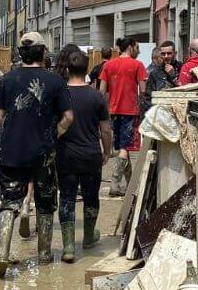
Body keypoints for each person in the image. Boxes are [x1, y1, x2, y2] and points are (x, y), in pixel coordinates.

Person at [0, 32, 74, 277]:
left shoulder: (7, 80)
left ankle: (1, 255)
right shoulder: (55, 81)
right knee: (46, 201)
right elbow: (68, 117)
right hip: (43, 153)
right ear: (43, 53)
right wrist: (53, 135)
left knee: (9, 201)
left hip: (12, 152)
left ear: (21, 54)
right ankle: (44, 256)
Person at [56, 51, 112, 262]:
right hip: (91, 155)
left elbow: (55, 126)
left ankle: (68, 246)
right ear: (88, 70)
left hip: (66, 155)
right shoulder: (96, 96)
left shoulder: (60, 94)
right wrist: (106, 151)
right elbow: (105, 130)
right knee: (91, 197)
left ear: (68, 70)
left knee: (67, 198)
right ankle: (88, 237)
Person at [99, 37, 147, 196]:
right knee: (125, 148)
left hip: (113, 110)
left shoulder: (108, 65)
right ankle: (115, 183)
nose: (138, 51)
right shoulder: (137, 65)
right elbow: (143, 90)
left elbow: (102, 91)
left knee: (121, 147)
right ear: (131, 47)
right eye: (137, 47)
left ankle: (131, 182)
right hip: (130, 111)